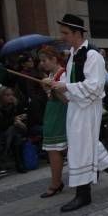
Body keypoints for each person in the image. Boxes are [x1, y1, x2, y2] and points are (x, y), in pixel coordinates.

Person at [49, 14, 108, 212]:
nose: (63, 36)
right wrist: (54, 83)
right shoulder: (74, 54)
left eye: (66, 33)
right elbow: (69, 78)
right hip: (76, 105)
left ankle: (83, 195)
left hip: (87, 106)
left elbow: (95, 86)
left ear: (77, 33)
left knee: (80, 148)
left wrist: (65, 86)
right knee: (87, 144)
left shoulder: (93, 55)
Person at [39, 46, 68, 198]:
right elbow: (51, 97)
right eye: (41, 61)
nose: (42, 63)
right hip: (51, 113)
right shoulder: (51, 74)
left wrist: (53, 87)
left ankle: (56, 183)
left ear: (54, 59)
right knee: (54, 150)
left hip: (61, 115)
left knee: (54, 150)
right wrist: (46, 89)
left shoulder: (64, 74)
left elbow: (67, 99)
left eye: (44, 60)